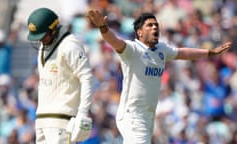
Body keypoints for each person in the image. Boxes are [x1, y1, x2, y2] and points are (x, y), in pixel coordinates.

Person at [86, 10, 232, 144]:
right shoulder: (132, 49)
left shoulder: (161, 49)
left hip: (148, 115)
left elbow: (183, 53)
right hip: (133, 114)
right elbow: (114, 41)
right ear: (140, 32)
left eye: (156, 25)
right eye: (149, 25)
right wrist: (103, 27)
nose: (155, 28)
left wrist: (209, 53)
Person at [27, 8, 94, 144]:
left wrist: (82, 112)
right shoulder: (43, 46)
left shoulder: (70, 45)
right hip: (42, 120)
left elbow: (87, 78)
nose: (41, 41)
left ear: (54, 28)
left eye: (43, 36)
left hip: (62, 120)